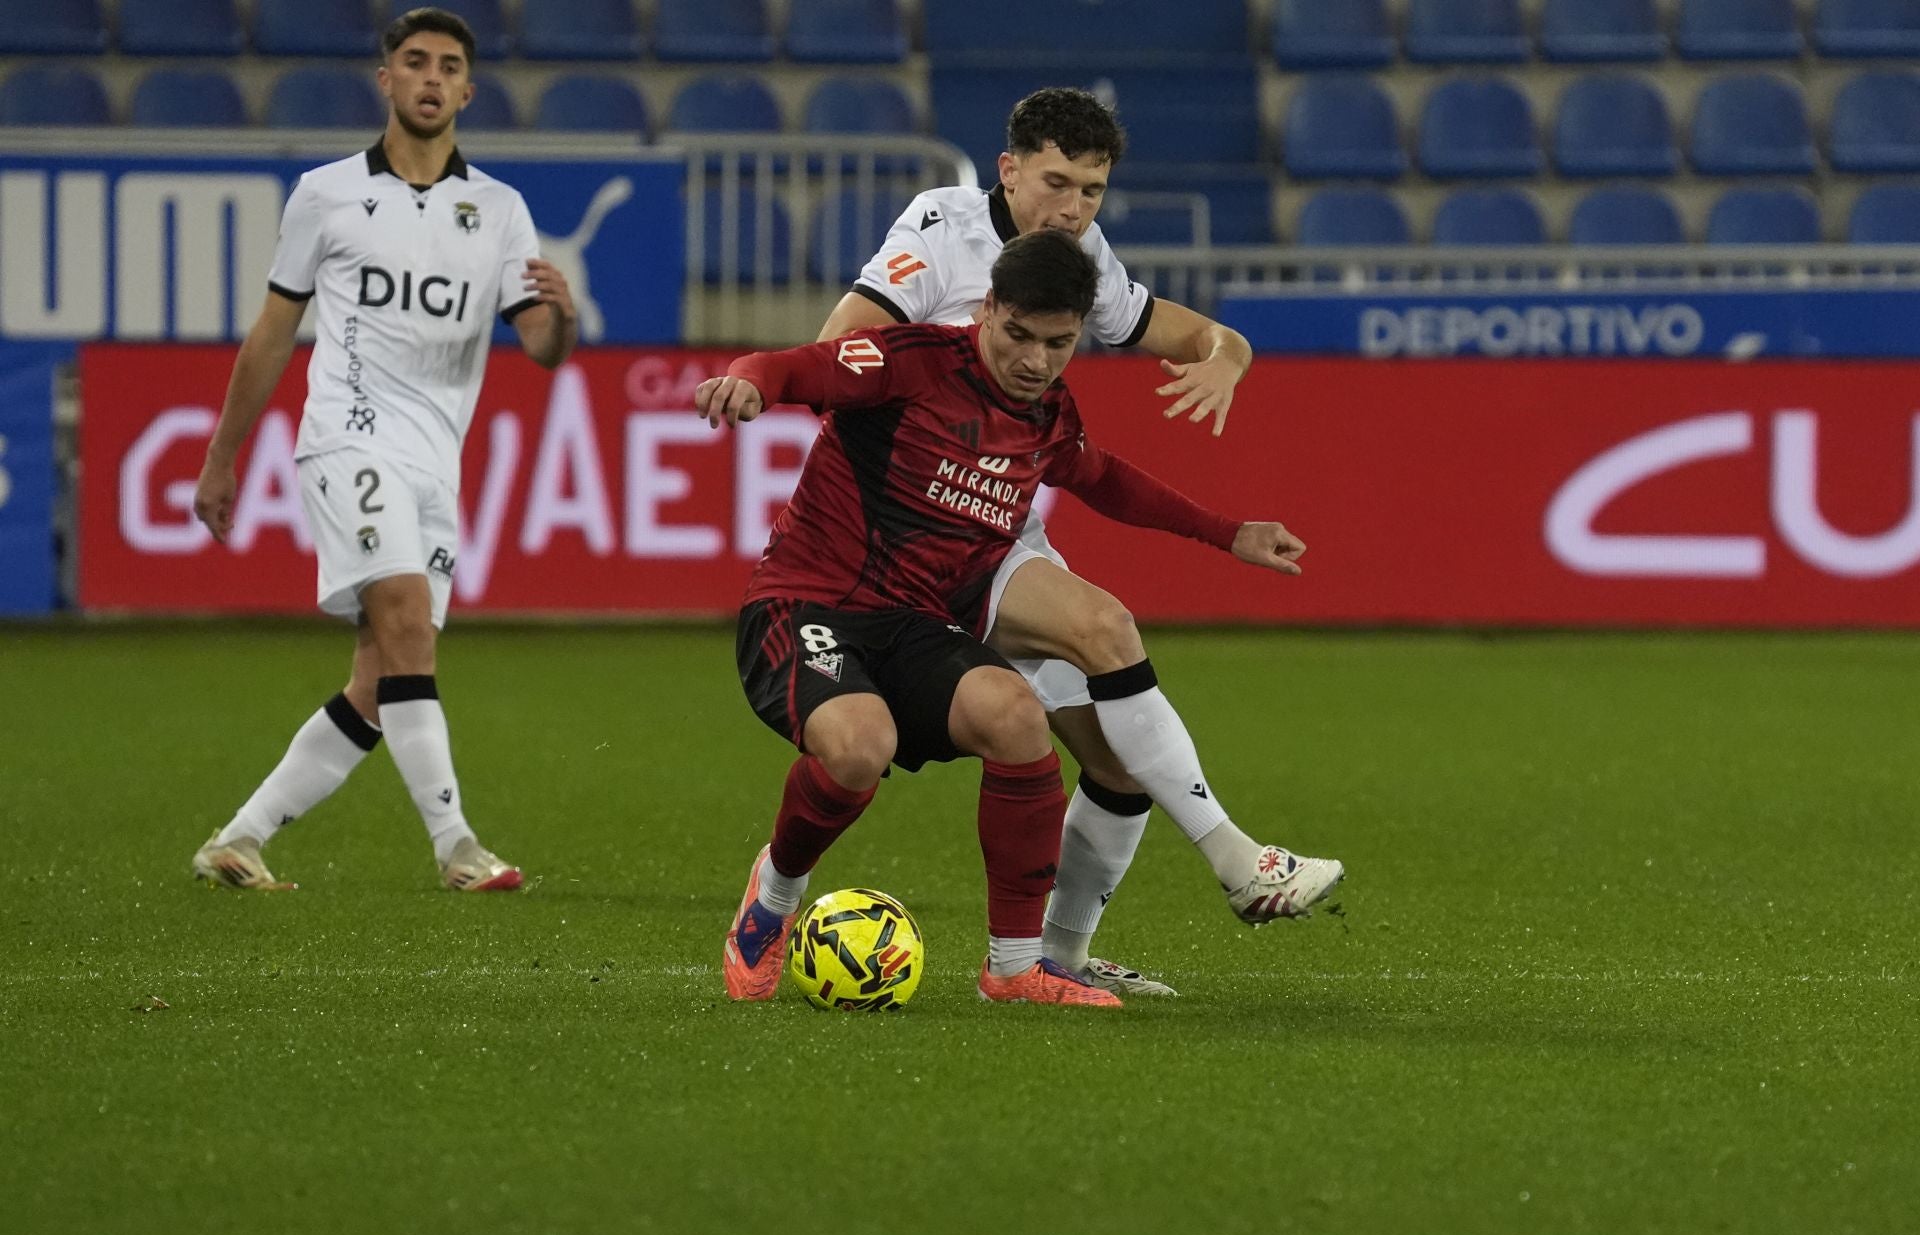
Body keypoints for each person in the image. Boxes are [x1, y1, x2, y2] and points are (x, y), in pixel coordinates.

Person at [818, 87, 1344, 994]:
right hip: (918, 530)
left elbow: (1189, 333)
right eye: (1056, 183)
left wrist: (1228, 354)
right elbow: (839, 352)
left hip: (1001, 523)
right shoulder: (938, 231)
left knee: (1117, 764)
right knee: (1105, 627)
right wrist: (941, 396)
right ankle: (1238, 860)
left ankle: (1049, 958)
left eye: (1093, 190)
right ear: (1008, 169)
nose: (1073, 209)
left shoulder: (1077, 254)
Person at [701, 230, 1312, 1008]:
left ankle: (1016, 968)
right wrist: (747, 383)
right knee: (860, 747)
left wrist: (1229, 532)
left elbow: (1106, 480)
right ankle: (775, 895)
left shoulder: (1048, 412)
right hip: (808, 601)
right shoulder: (910, 361)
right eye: (1018, 334)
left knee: (1019, 715)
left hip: (917, 624)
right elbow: (794, 366)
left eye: (1057, 343)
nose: (1034, 360)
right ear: (987, 309)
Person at [187, 8, 577, 892]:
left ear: (467, 92)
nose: (431, 78)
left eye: (447, 67)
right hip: (344, 438)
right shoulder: (325, 195)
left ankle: (239, 839)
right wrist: (223, 454)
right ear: (388, 81)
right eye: (415, 62)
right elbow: (274, 332)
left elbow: (544, 348)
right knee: (405, 624)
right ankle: (456, 846)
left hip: (435, 462)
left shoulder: (500, 211)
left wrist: (565, 316)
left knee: (379, 676)